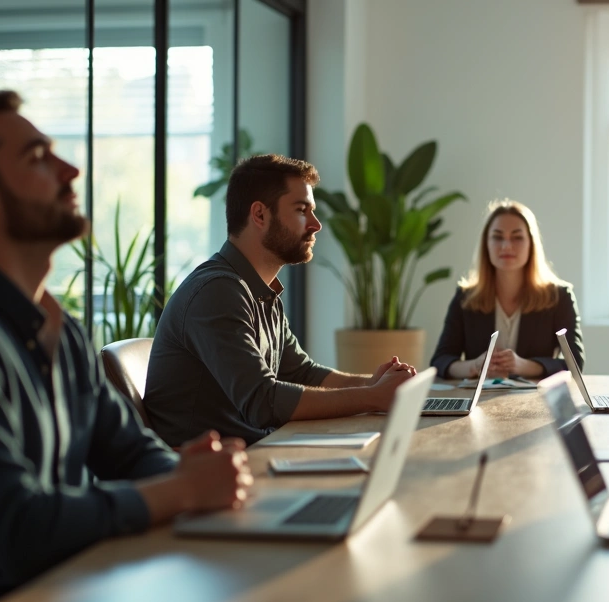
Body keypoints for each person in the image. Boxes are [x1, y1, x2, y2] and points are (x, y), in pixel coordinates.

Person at [0, 91, 251, 602]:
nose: (70, 169)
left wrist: (189, 472)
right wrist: (181, 490)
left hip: (67, 590)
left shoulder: (59, 328)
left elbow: (132, 453)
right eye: (37, 158)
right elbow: (18, 528)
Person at [145, 154, 415, 447]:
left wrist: (374, 383)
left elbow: (301, 372)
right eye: (302, 210)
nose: (316, 225)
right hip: (206, 476)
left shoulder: (259, 290)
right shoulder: (217, 292)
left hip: (253, 452)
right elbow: (263, 402)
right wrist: (374, 396)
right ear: (259, 215)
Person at [430, 199, 583, 379]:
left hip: (536, 402)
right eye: (497, 237)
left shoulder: (559, 297)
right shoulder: (466, 297)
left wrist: (522, 365)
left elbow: (575, 364)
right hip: (480, 403)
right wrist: (475, 366)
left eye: (517, 237)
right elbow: (440, 361)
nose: (506, 246)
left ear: (531, 244)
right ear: (486, 244)